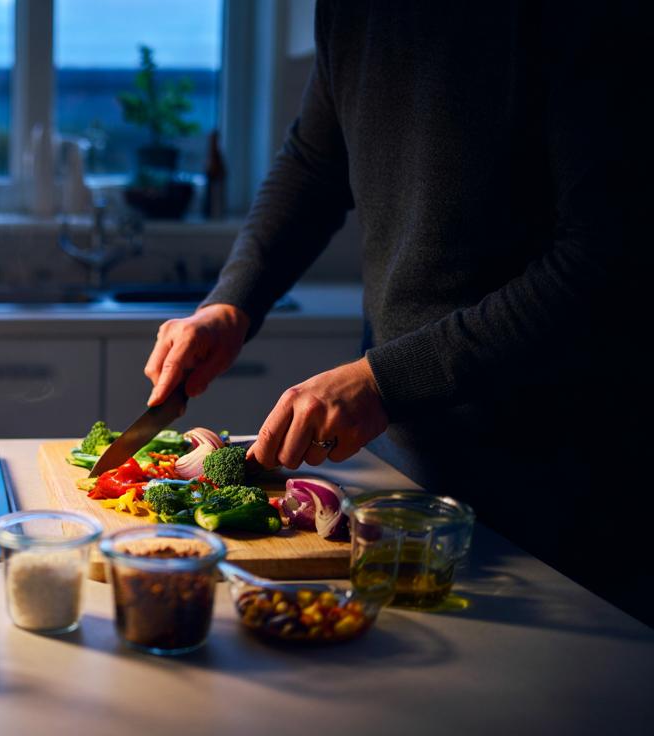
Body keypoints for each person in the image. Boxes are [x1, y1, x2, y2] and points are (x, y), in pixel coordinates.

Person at [144, 2, 644, 621]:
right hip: (407, 471)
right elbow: (313, 165)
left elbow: (607, 257)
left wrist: (387, 379)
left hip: (564, 487)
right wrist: (232, 303)